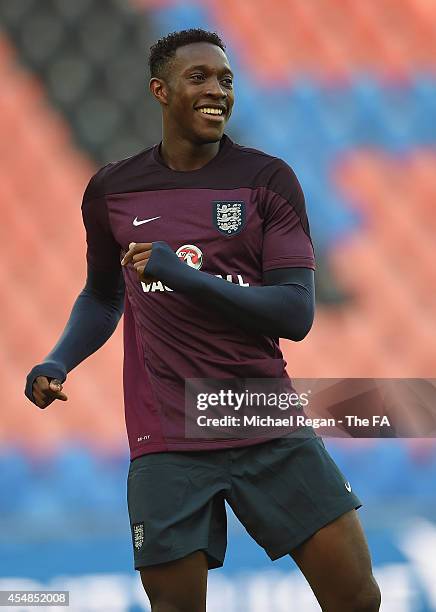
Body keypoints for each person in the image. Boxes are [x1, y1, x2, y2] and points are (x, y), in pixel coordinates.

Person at [25, 28, 381, 612]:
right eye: (199, 78)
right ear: (159, 91)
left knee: (358, 599)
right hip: (168, 438)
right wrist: (57, 359)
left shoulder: (268, 181)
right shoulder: (113, 191)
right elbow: (100, 295)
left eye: (226, 79)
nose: (217, 91)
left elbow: (296, 313)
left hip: (265, 419)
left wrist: (184, 276)